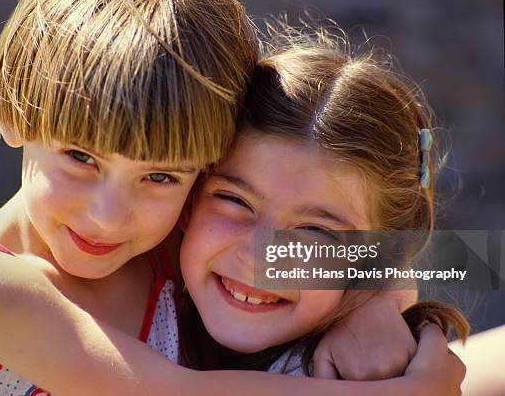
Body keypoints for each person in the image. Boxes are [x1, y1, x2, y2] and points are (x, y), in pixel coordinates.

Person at [0, 0, 450, 394]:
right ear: (13, 112)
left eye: (161, 177)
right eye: (80, 158)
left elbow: (472, 258)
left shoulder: (173, 245)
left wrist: (376, 295)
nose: (108, 218)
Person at [178, 26, 469, 395]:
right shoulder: (123, 279)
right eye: (236, 201)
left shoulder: (368, 371)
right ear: (189, 194)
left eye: (315, 231)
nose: (258, 258)